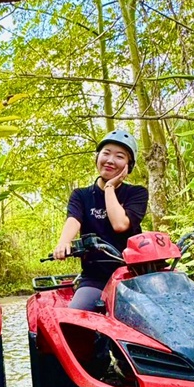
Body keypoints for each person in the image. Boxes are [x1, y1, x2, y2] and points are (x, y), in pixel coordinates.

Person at [53, 129, 148, 310]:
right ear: (97, 158)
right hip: (96, 279)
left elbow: (120, 224)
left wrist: (110, 187)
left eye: (119, 156)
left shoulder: (136, 193)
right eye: (106, 153)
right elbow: (74, 219)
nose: (110, 160)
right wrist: (63, 242)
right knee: (75, 318)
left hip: (134, 275)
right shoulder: (81, 195)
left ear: (128, 166)